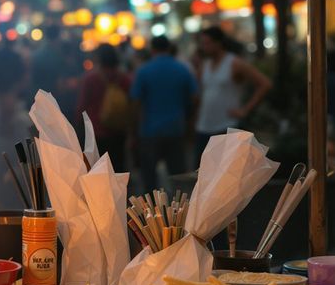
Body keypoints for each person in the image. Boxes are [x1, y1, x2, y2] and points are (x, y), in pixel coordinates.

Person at [194, 27, 272, 162]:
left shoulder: (234, 63)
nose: (204, 47)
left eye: (207, 43)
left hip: (226, 126)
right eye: (203, 44)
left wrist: (245, 110)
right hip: (204, 126)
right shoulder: (205, 65)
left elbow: (264, 83)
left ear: (218, 43)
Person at [130, 35, 197, 191]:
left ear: (152, 49)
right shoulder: (182, 69)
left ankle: (152, 212)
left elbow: (135, 103)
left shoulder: (143, 71)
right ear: (168, 48)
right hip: (175, 129)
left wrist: (134, 130)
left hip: (149, 131)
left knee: (150, 178)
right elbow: (194, 97)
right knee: (178, 177)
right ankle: (180, 212)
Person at [76, 44, 133, 170]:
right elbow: (131, 105)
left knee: (100, 171)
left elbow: (82, 106)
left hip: (97, 133)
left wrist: (79, 128)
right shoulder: (124, 78)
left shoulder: (90, 78)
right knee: (118, 169)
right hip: (119, 130)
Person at [0, 41, 27, 136]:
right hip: (12, 85)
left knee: (2, 106)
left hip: (0, 84)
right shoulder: (15, 56)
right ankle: (8, 127)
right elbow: (21, 70)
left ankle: (3, 127)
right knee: (10, 108)